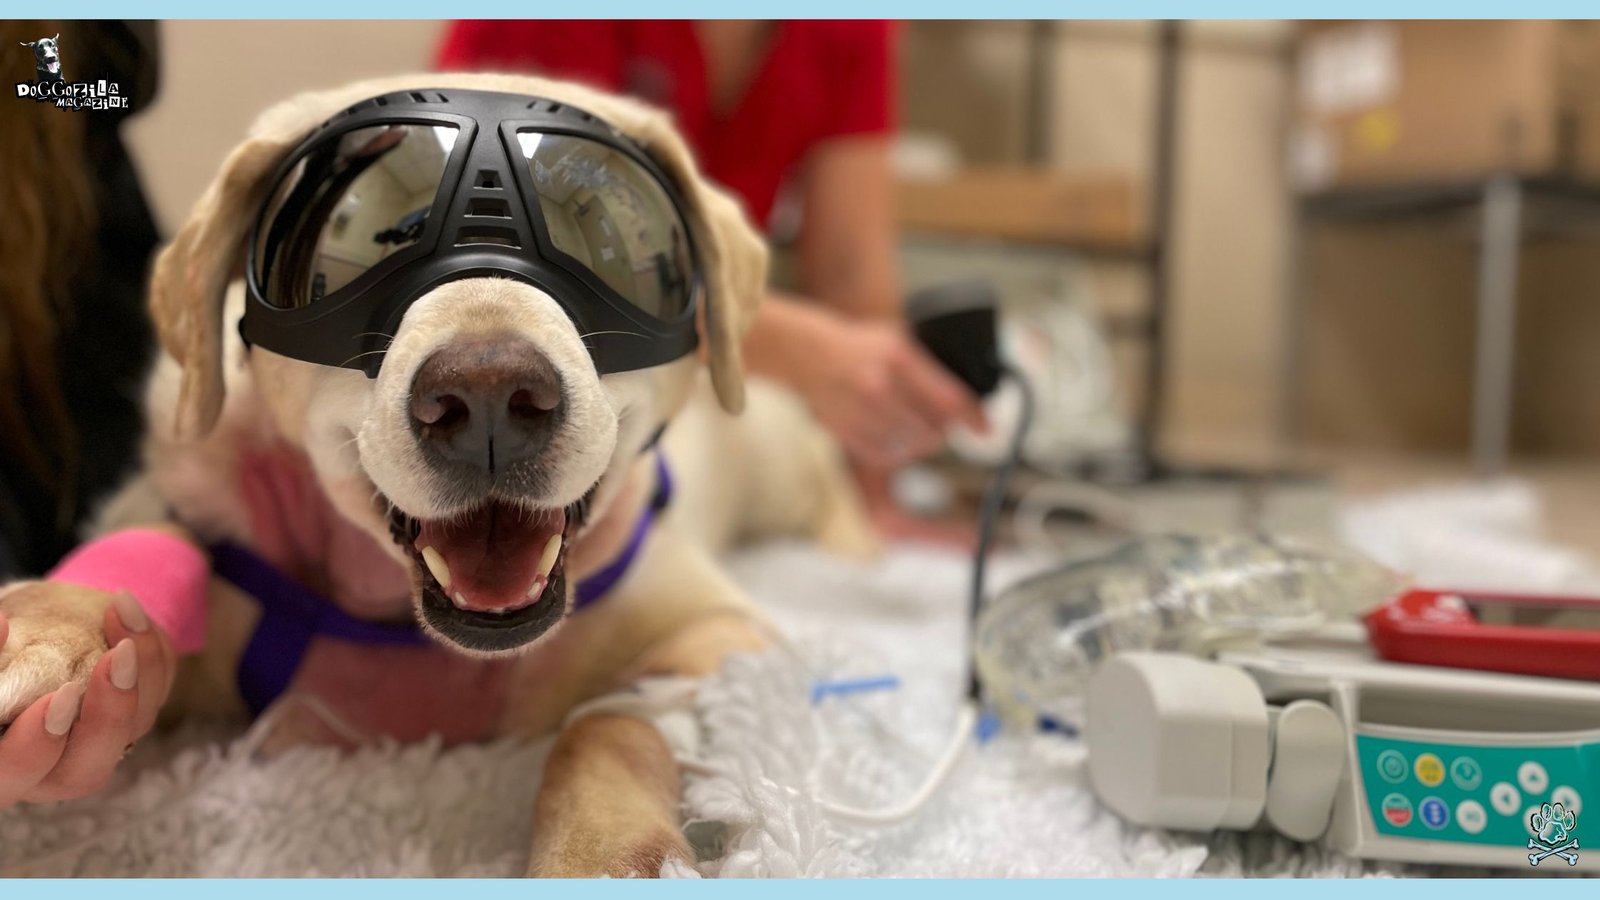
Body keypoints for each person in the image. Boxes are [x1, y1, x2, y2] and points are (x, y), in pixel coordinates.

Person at [437, 20, 987, 540]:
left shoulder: (847, 27)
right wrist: (796, 348)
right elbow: (511, 245)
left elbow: (851, 270)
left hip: (712, 369)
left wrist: (877, 491)